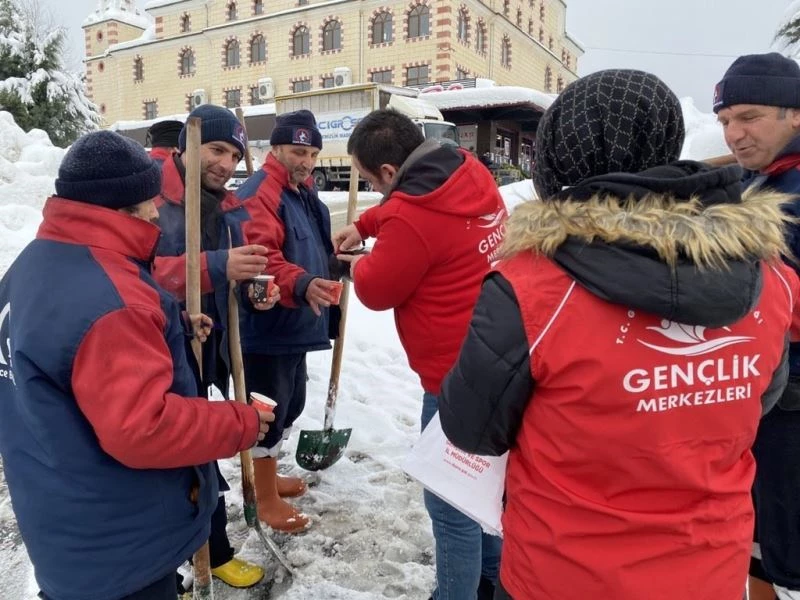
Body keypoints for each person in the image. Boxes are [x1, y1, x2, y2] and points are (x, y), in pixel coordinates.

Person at [438, 69, 799, 600]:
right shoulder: (770, 278)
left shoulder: (530, 285)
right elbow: (762, 400)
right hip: (708, 573)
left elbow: (471, 429)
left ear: (562, 151)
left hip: (562, 575)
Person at [0, 130, 273, 600]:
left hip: (64, 515)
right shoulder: (111, 301)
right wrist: (239, 421)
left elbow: (69, 361)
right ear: (120, 207)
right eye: (148, 202)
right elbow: (144, 428)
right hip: (122, 541)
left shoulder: (31, 267)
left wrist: (168, 329)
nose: (155, 213)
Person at [332, 108, 506, 600]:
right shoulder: (465, 170)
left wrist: (355, 264)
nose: (375, 191)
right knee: (482, 490)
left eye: (370, 182)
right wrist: (365, 224)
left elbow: (377, 290)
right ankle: (494, 580)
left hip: (453, 380)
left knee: (451, 506)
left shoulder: (410, 218)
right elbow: (404, 207)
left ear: (389, 173)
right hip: (496, 356)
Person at [153, 103, 278, 590]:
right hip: (162, 350)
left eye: (233, 153)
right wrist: (217, 264)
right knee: (173, 458)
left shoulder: (226, 207)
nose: (225, 163)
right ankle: (181, 562)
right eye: (216, 148)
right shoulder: (152, 201)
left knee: (202, 449)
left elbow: (233, 275)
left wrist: (252, 292)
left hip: (210, 346)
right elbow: (144, 277)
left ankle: (214, 548)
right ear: (186, 145)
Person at [715, 52, 800, 600]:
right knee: (758, 540)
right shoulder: (756, 180)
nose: (736, 134)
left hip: (793, 399)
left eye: (749, 116)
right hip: (763, 391)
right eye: (725, 121)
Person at [235, 109, 342, 533]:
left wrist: (336, 262)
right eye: (299, 151)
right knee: (265, 413)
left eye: (313, 152)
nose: (307, 161)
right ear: (275, 149)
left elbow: (310, 247)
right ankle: (263, 499)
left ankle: (269, 477)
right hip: (267, 327)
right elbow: (262, 258)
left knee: (290, 403)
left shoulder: (302, 191)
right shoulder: (261, 192)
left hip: (297, 325)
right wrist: (303, 284)